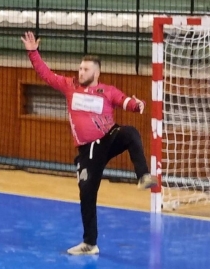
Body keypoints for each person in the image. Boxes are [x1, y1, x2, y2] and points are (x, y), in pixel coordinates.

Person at [20, 31, 158, 256]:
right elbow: (45, 74)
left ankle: (143, 176)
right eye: (80, 68)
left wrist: (136, 104)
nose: (80, 72)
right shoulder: (69, 86)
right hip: (88, 150)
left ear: (96, 72)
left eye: (85, 69)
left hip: (108, 138)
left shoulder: (106, 91)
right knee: (87, 193)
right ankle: (90, 243)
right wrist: (33, 52)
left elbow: (124, 101)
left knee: (131, 133)